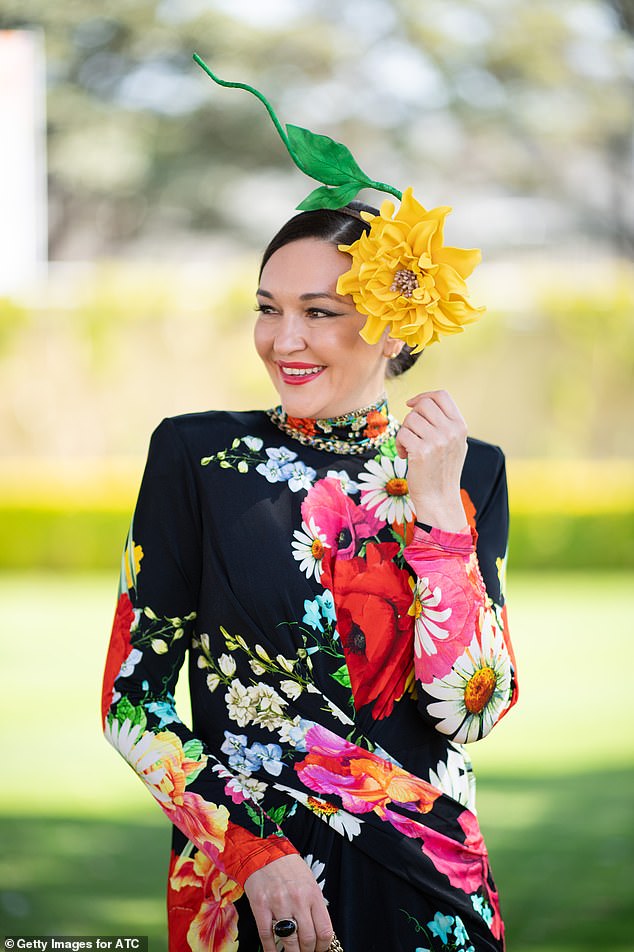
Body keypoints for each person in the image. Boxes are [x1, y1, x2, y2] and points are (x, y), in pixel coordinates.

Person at [102, 62, 518, 952]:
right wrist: (253, 855)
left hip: (431, 884)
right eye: (268, 308)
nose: (283, 340)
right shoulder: (195, 457)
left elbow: (471, 713)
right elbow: (132, 705)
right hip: (255, 886)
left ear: (395, 322)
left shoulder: (471, 471)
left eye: (319, 312)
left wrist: (441, 515)